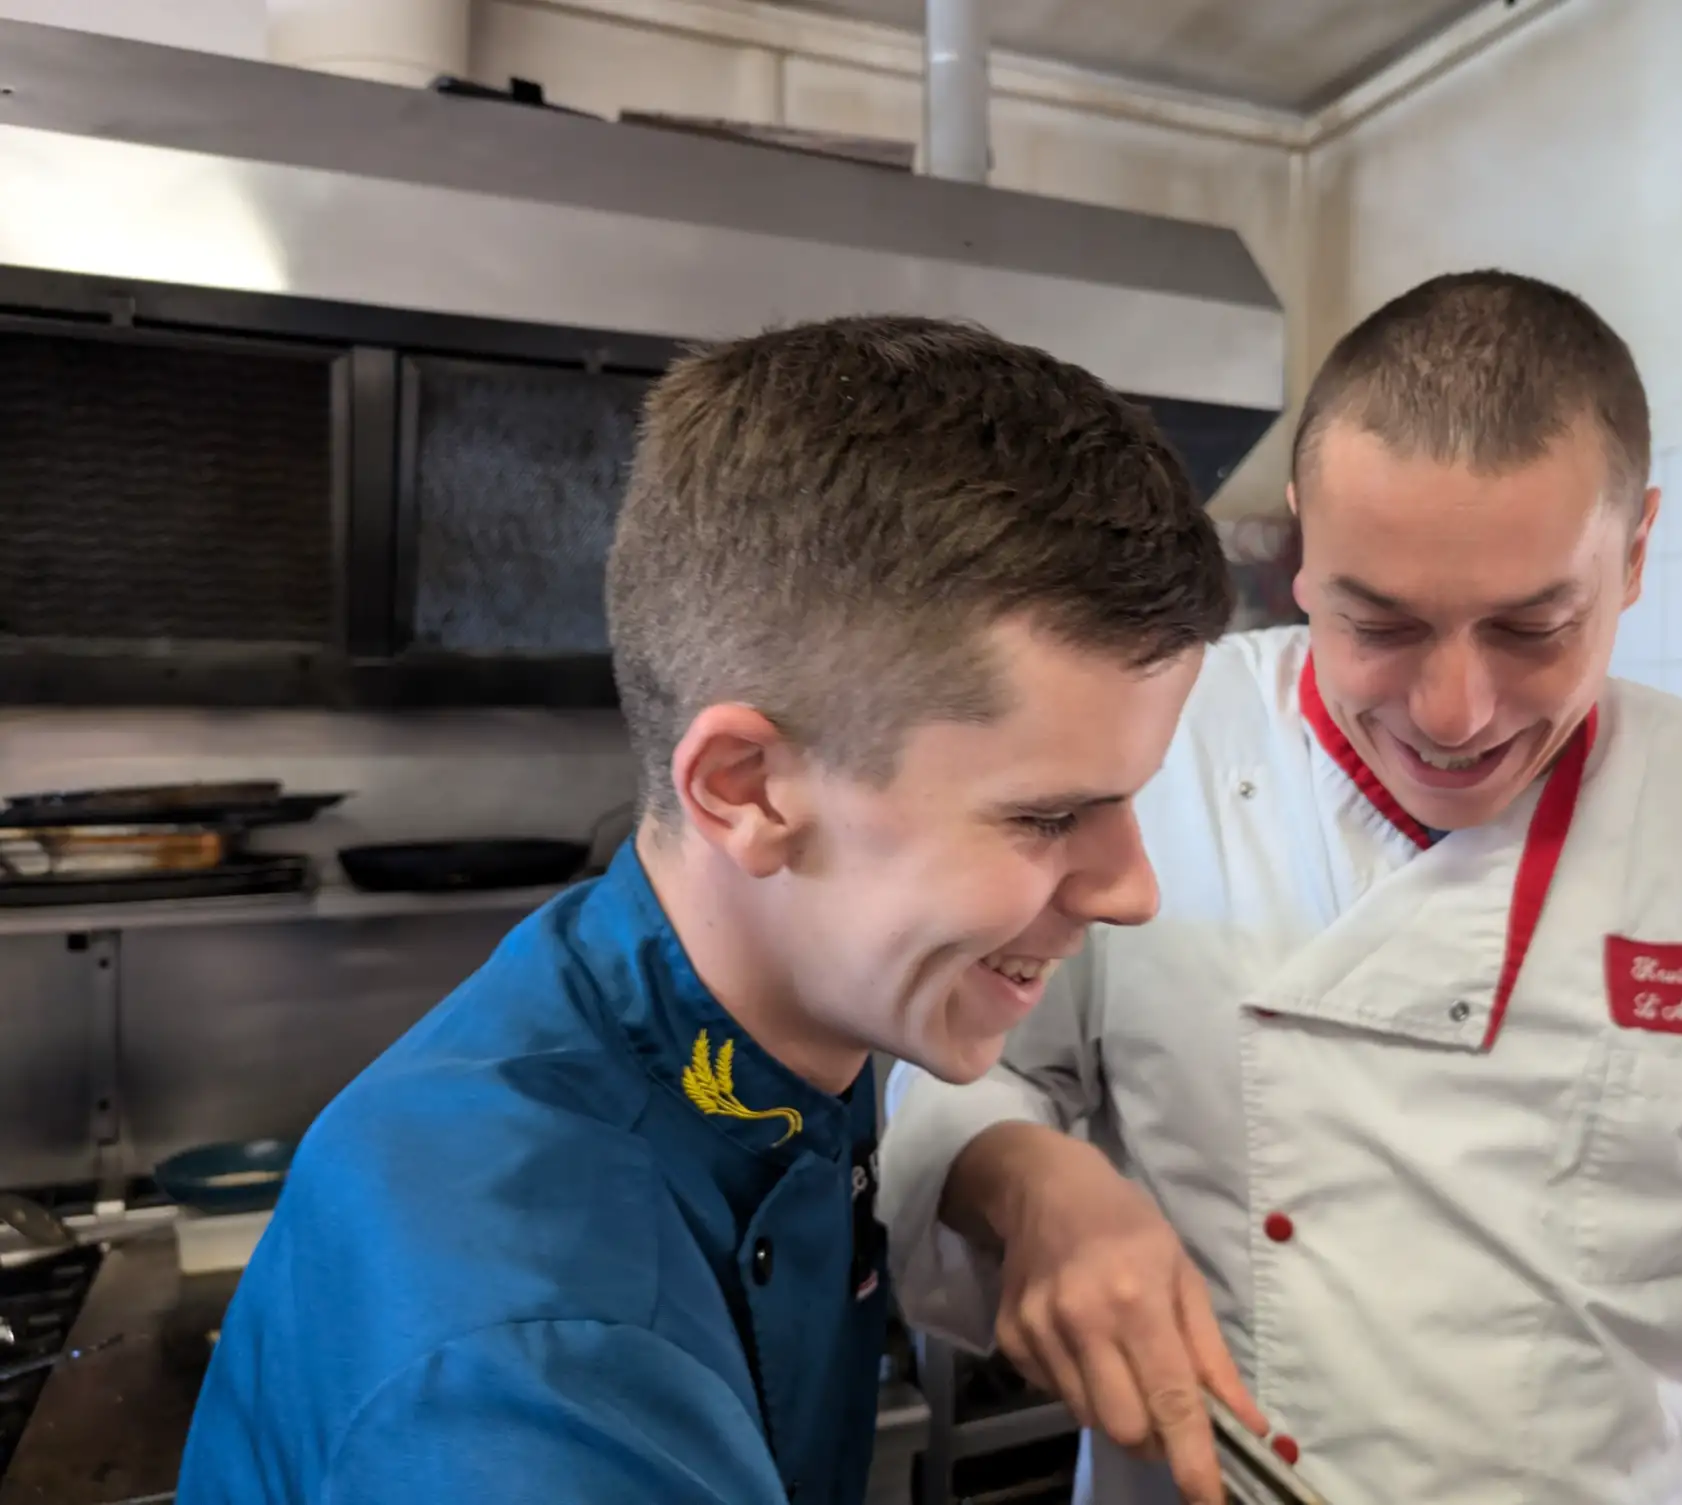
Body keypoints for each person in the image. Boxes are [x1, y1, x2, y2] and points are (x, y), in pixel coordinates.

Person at [879, 272, 1682, 1505]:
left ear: (1631, 556)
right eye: (1380, 623)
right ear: (1303, 549)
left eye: (1531, 628)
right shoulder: (1148, 752)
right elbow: (963, 1064)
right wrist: (1025, 1176)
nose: (1452, 712)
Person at [176, 315, 1235, 1505]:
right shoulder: (535, 1373)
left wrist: (1028, 1179)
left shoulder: (716, 1014)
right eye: (1046, 816)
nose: (1132, 889)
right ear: (747, 789)